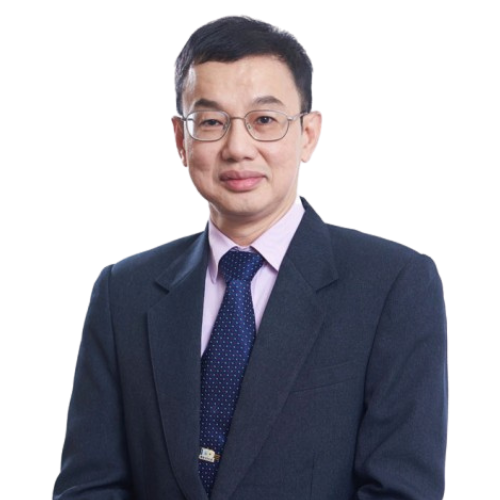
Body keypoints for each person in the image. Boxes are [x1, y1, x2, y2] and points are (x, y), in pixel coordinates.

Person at [52, 14, 449, 500]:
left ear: (308, 134)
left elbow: (402, 490)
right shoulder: (123, 290)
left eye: (264, 120)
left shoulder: (394, 283)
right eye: (211, 122)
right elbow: (89, 486)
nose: (238, 148)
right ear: (180, 139)